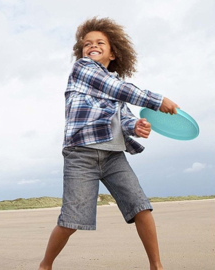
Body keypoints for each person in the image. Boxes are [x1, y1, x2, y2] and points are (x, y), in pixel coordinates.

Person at [38, 17, 179, 270]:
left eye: (100, 42)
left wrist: (135, 126)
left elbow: (122, 117)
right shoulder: (82, 69)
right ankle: (45, 265)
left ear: (113, 52)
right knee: (71, 220)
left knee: (141, 208)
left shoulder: (116, 89)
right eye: (87, 44)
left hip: (114, 156)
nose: (92, 46)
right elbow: (115, 87)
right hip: (81, 155)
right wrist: (156, 101)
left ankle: (156, 266)